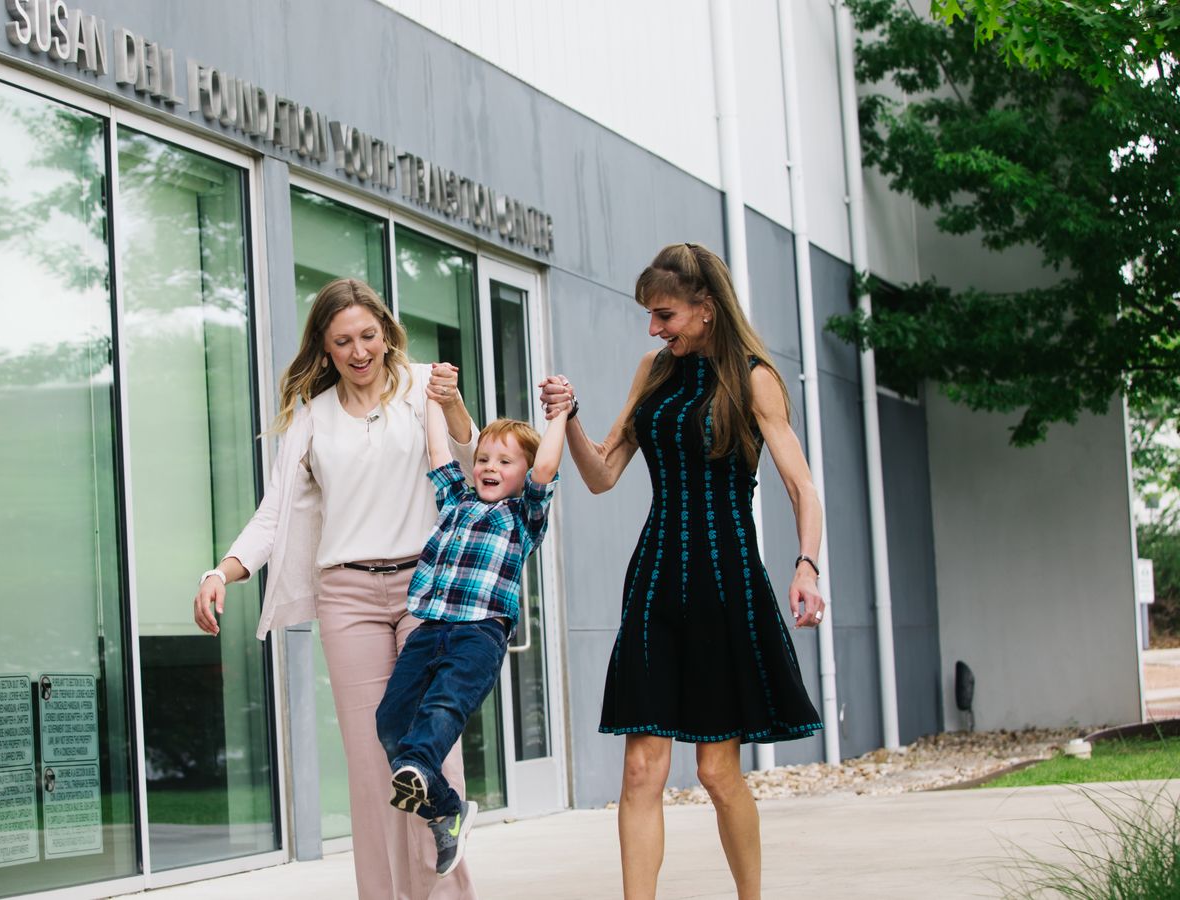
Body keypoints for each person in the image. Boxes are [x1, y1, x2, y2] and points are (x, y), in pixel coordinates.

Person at [540, 242, 825, 900]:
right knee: (641, 768)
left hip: (725, 584)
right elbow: (604, 471)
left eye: (664, 314)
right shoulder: (654, 369)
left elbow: (801, 486)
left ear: (705, 310)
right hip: (656, 582)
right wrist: (570, 417)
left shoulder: (753, 377)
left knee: (719, 771)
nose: (654, 329)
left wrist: (807, 564)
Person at [192, 277, 480, 900]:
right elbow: (277, 514)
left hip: (426, 592)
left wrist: (454, 403)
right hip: (347, 599)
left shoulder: (424, 386)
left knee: (431, 761)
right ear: (324, 349)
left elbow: (473, 461)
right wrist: (223, 570)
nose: (358, 352)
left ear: (386, 333)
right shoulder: (310, 417)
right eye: (343, 341)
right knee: (374, 770)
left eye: (368, 336)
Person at [376, 397, 568, 877]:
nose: (488, 467)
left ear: (524, 475)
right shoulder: (456, 499)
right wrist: (433, 399)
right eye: (483, 458)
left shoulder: (524, 515)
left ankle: (421, 769)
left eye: (505, 462)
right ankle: (446, 808)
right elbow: (439, 453)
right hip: (430, 627)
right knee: (391, 720)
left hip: (480, 633)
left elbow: (546, 465)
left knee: (443, 706)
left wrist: (560, 415)